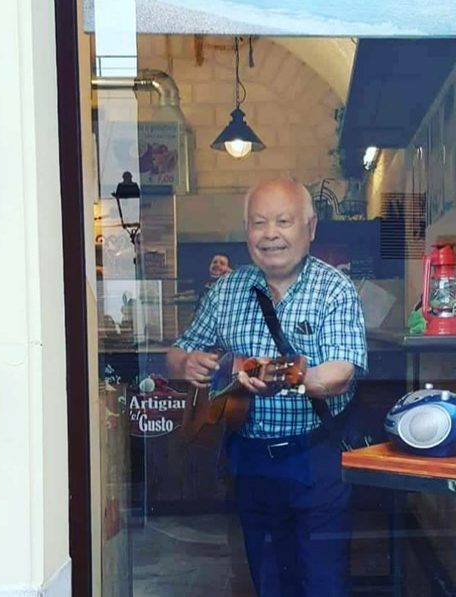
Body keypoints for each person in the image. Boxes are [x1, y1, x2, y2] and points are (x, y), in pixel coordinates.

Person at [167, 178, 367, 597]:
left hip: (316, 455)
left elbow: (340, 374)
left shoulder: (334, 288)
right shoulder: (226, 291)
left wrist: (281, 377)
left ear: (310, 228)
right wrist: (188, 362)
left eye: (283, 221)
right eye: (259, 223)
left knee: (324, 581)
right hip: (250, 459)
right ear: (246, 232)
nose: (270, 233)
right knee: (267, 579)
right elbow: (178, 352)